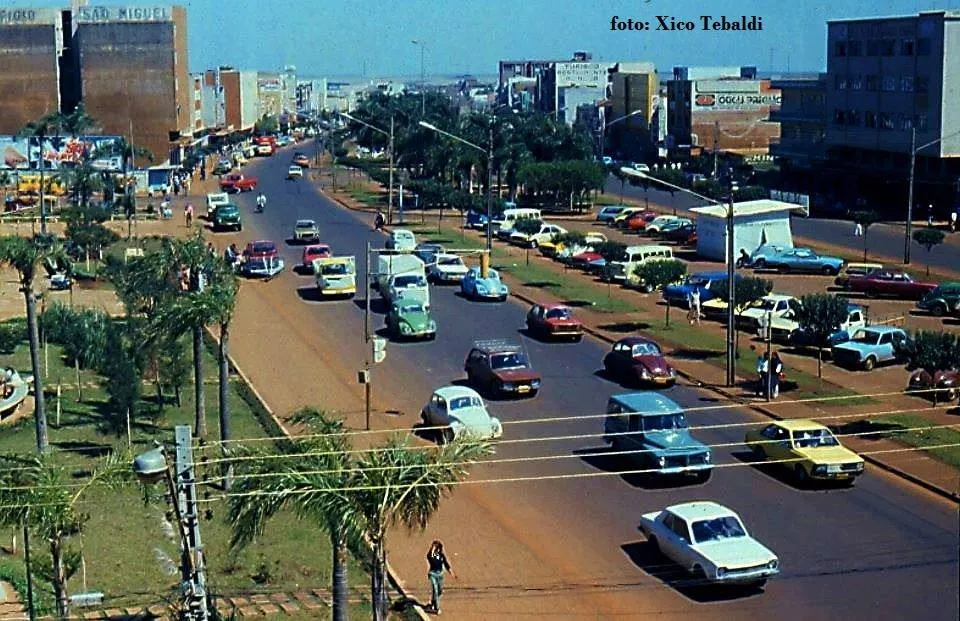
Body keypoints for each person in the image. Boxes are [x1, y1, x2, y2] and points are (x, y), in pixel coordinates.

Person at [426, 540, 455, 615]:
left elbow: (446, 563)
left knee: (439, 591)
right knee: (435, 590)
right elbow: (429, 557)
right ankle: (437, 608)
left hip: (440, 574)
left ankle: (432, 603)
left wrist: (451, 572)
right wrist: (432, 549)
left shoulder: (441, 555)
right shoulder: (430, 555)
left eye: (436, 547)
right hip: (433, 574)